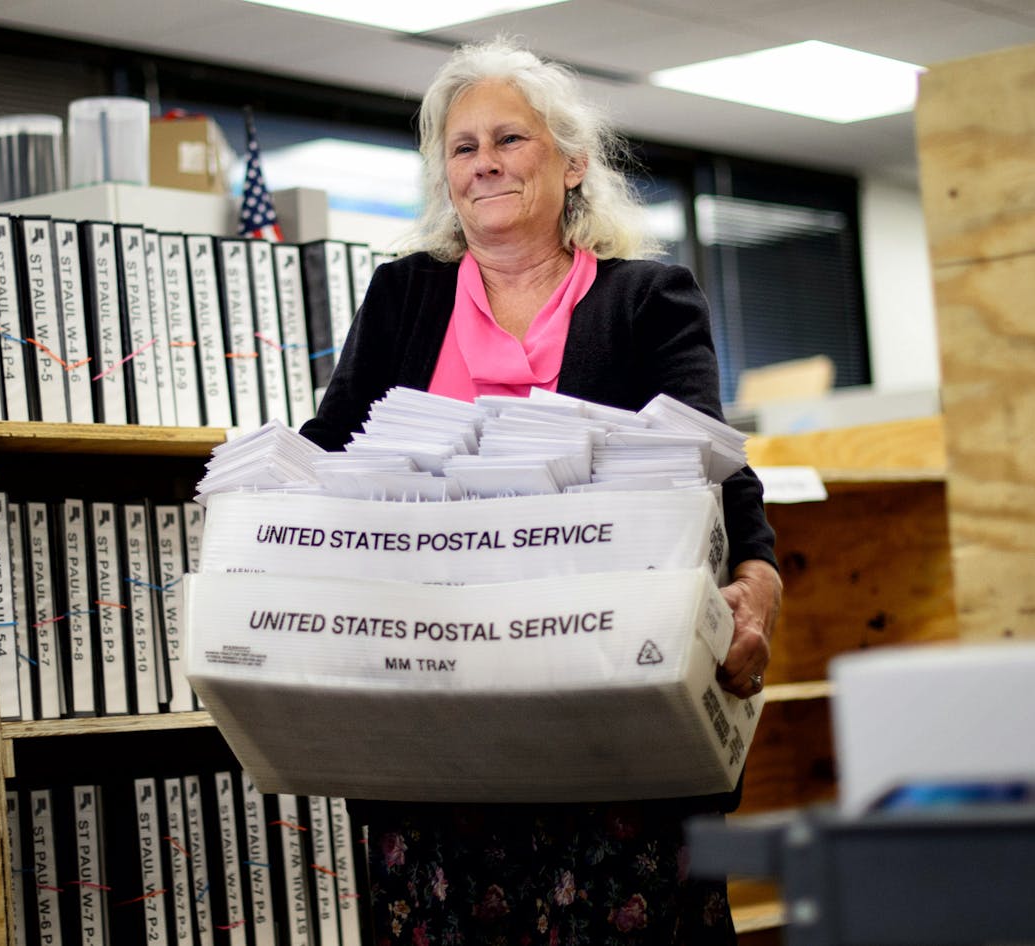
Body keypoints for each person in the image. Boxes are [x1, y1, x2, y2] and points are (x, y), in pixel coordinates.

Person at [300, 36, 782, 946]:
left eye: (509, 140)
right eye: (462, 146)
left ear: (572, 163)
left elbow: (712, 469)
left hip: (608, 726)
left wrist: (757, 586)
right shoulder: (403, 298)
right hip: (437, 736)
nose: (484, 163)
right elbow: (335, 454)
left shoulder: (648, 298)